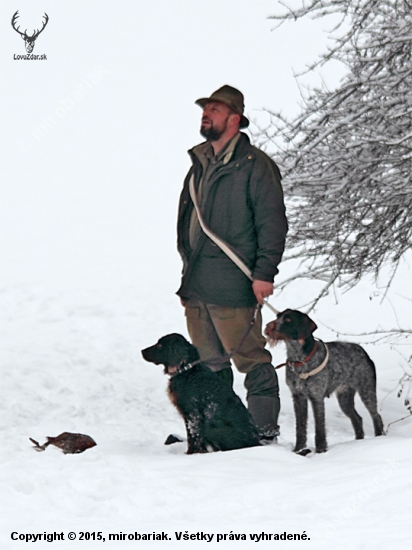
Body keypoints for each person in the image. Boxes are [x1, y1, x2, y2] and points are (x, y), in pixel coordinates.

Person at [176, 85, 288, 443]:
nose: (206, 114)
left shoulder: (256, 167)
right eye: (205, 109)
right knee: (209, 368)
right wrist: (186, 278)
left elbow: (272, 224)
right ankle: (224, 433)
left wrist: (264, 274)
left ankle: (264, 433)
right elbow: (186, 225)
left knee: (252, 361)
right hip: (198, 286)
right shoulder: (198, 164)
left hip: (234, 285)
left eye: (214, 109)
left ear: (235, 118)